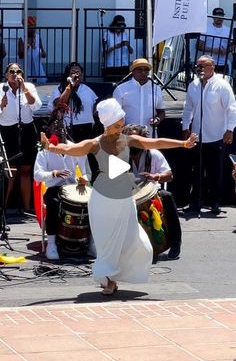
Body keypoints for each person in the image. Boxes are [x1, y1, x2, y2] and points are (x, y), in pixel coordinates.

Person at [41, 98, 197, 295]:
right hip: (102, 199)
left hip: (124, 199)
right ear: (107, 124)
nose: (120, 128)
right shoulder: (95, 143)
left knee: (134, 242)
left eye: (122, 124)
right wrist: (51, 147)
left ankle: (115, 276)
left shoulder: (128, 140)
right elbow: (72, 148)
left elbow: (155, 142)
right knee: (106, 243)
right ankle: (108, 280)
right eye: (116, 125)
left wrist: (183, 143)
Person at [182, 55, 236, 214]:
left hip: (217, 135)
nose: (199, 68)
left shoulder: (222, 85)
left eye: (203, 65)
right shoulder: (193, 85)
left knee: (215, 171)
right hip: (197, 136)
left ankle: (215, 202)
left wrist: (230, 129)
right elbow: (188, 108)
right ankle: (196, 202)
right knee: (197, 171)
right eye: (197, 65)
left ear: (212, 67)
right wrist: (185, 127)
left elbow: (231, 108)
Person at [34, 113, 90, 260]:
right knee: (53, 204)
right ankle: (51, 244)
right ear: (50, 131)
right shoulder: (44, 150)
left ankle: (91, 241)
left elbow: (86, 173)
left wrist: (84, 179)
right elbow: (37, 175)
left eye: (62, 127)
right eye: (56, 127)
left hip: (74, 188)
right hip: (54, 188)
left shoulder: (76, 148)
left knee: (93, 202)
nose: (60, 129)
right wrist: (54, 173)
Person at [124, 124, 182, 260]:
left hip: (153, 192)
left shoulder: (153, 154)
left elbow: (170, 175)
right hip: (130, 194)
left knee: (166, 196)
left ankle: (175, 243)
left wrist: (157, 177)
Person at [0, 62, 42, 212]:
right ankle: (4, 208)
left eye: (18, 71)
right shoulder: (1, 88)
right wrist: (1, 105)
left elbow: (36, 105)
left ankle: (26, 208)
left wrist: (24, 89)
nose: (15, 74)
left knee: (25, 169)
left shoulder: (28, 87)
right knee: (10, 170)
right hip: (7, 130)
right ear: (6, 74)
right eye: (11, 71)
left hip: (26, 129)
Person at [113, 58, 165, 137]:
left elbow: (161, 112)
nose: (143, 73)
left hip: (149, 136)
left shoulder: (156, 89)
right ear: (133, 71)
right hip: (128, 136)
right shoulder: (121, 89)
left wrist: (157, 119)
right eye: (140, 70)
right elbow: (114, 114)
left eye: (146, 70)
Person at [48, 62, 98, 143]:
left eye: (78, 72)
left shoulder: (87, 89)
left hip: (87, 128)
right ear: (68, 74)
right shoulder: (59, 89)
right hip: (69, 128)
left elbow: (95, 105)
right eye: (73, 72)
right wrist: (70, 86)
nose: (76, 75)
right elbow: (60, 104)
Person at [197, 7, 233, 74]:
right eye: (217, 15)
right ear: (213, 17)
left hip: (223, 64)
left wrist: (226, 50)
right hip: (208, 63)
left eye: (221, 15)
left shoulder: (228, 30)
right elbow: (199, 46)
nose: (219, 18)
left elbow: (232, 46)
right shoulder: (206, 29)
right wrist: (213, 50)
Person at [18, 16, 47, 84]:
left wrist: (43, 54)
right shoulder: (22, 39)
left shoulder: (38, 37)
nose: (32, 30)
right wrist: (27, 45)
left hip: (38, 70)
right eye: (30, 28)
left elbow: (43, 53)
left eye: (33, 27)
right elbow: (20, 55)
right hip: (27, 69)